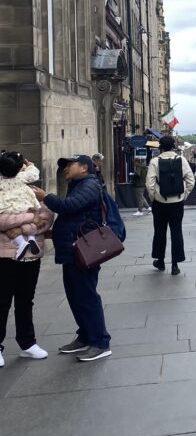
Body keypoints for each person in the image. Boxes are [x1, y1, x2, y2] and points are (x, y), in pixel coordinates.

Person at [33, 155, 112, 362]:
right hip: (73, 250)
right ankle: (85, 336)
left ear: (84, 167)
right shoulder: (78, 184)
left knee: (86, 296)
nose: (66, 169)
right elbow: (73, 216)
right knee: (75, 296)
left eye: (70, 165)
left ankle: (100, 342)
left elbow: (70, 206)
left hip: (84, 251)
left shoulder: (89, 185)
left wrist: (45, 196)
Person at [0, 150, 54, 366]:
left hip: (31, 255)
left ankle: (27, 342)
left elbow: (47, 218)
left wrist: (23, 224)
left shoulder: (32, 190)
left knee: (25, 300)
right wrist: (31, 218)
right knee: (2, 301)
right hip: (5, 255)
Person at [145, 135, 195, 274]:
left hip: (160, 203)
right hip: (177, 203)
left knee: (159, 232)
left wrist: (154, 197)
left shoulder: (155, 161)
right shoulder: (181, 160)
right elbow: (191, 180)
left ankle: (160, 261)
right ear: (173, 146)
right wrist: (184, 195)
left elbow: (149, 184)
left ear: (160, 147)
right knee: (176, 231)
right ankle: (175, 265)